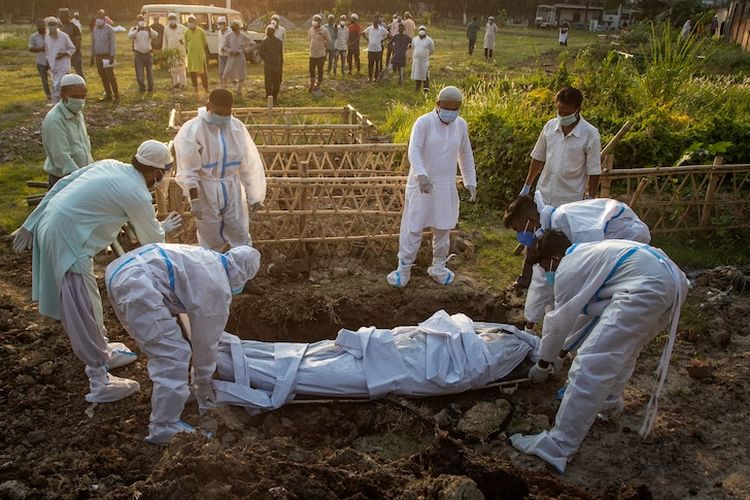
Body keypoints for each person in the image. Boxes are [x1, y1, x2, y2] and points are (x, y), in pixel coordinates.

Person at [11, 140, 183, 405]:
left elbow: (61, 185)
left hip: (57, 227)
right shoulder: (136, 193)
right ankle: (99, 380)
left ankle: (102, 351)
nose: (164, 178)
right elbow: (151, 240)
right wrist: (164, 227)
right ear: (156, 172)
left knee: (91, 302)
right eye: (166, 172)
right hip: (68, 242)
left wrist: (32, 222)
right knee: (83, 308)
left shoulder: (111, 165)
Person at [510, 232, 688, 473]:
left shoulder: (568, 269)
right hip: (672, 281)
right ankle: (608, 401)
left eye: (543, 266)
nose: (546, 272)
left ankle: (559, 445)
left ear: (553, 259)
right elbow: (589, 318)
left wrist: (543, 363)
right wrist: (561, 353)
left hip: (648, 285)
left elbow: (559, 322)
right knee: (624, 350)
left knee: (590, 365)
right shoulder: (588, 254)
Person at [106, 243, 261, 444]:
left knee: (167, 347)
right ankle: (163, 425)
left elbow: (191, 316)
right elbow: (206, 340)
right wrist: (204, 380)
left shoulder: (207, 257)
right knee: (172, 355)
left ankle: (175, 393)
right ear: (242, 274)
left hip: (122, 269)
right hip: (138, 283)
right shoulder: (217, 286)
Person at [503, 194, 651, 330]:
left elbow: (589, 274)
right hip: (610, 244)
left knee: (590, 299)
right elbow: (542, 278)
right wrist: (530, 322)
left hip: (627, 240)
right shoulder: (550, 228)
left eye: (519, 229)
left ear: (531, 221)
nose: (520, 235)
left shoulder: (573, 228)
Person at [387, 86, 476, 288]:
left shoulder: (461, 125)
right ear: (437, 105)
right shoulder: (424, 123)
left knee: (443, 226)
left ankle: (438, 266)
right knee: (414, 226)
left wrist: (470, 180)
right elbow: (414, 150)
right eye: (447, 107)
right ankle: (404, 268)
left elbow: (465, 153)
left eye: (455, 108)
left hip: (445, 184)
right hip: (422, 185)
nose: (451, 112)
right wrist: (421, 174)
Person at [515, 86, 601, 288]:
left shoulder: (590, 134)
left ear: (577, 109)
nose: (562, 115)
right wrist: (527, 185)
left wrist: (591, 200)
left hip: (569, 200)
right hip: (544, 194)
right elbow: (538, 157)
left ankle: (561, 281)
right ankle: (526, 279)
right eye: (559, 111)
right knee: (533, 237)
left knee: (561, 243)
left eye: (566, 112)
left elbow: (594, 171)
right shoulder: (550, 127)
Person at [174, 89, 267, 250]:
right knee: (209, 235)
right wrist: (194, 198)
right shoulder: (193, 129)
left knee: (239, 231)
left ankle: (241, 270)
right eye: (219, 114)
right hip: (205, 189)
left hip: (231, 187)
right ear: (208, 105)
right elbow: (188, 168)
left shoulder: (236, 128)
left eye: (226, 115)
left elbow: (249, 163)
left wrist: (255, 194)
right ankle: (214, 269)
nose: (223, 119)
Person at [42, 74, 93, 187]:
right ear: (63, 95)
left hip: (81, 175)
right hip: (65, 178)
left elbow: (84, 145)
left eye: (83, 96)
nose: (80, 100)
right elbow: (61, 156)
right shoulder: (55, 119)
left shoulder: (77, 113)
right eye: (75, 96)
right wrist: (78, 178)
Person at [44, 17, 76, 105]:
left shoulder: (64, 36)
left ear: (57, 25)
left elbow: (72, 49)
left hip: (63, 65)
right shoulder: (47, 37)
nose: (51, 27)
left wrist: (64, 54)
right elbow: (47, 51)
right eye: (49, 25)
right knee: (56, 84)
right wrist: (47, 62)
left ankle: (56, 104)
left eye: (53, 25)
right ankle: (62, 102)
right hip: (53, 66)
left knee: (57, 85)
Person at [91, 10, 119, 102]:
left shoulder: (109, 29)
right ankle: (108, 94)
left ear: (104, 19)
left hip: (107, 56)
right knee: (103, 76)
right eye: (97, 18)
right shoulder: (94, 29)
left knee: (110, 76)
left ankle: (116, 95)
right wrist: (92, 56)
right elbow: (93, 43)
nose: (99, 20)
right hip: (98, 56)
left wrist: (112, 55)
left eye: (101, 18)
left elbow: (113, 43)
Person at [221, 21, 254, 98]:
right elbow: (224, 47)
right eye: (233, 26)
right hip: (231, 56)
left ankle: (239, 89)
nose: (234, 28)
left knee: (241, 73)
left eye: (235, 26)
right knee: (226, 72)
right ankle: (223, 89)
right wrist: (230, 51)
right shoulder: (229, 36)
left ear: (238, 27)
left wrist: (245, 50)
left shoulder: (243, 36)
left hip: (240, 57)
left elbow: (253, 44)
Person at [128, 15, 158, 93]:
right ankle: (142, 88)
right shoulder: (134, 29)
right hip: (138, 55)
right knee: (140, 73)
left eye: (142, 20)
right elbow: (129, 36)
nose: (141, 21)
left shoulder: (148, 29)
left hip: (148, 54)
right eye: (139, 20)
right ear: (137, 21)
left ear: (144, 21)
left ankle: (150, 88)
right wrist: (137, 30)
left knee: (150, 73)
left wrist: (150, 31)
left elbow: (156, 35)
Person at [259, 25, 283, 103]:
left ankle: (271, 96)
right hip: (274, 64)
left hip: (272, 64)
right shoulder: (274, 41)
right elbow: (260, 52)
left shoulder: (267, 41)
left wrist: (266, 59)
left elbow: (260, 53)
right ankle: (272, 96)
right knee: (273, 81)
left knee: (272, 81)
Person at [163, 12, 188, 89]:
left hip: (180, 51)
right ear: (168, 20)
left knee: (181, 68)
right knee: (173, 69)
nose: (172, 20)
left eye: (173, 19)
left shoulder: (182, 28)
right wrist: (164, 51)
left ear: (176, 19)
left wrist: (184, 42)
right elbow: (165, 41)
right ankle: (175, 84)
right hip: (171, 52)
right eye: (170, 19)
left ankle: (183, 84)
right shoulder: (166, 29)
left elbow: (188, 37)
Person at [185, 15, 209, 92]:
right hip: (191, 56)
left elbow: (205, 45)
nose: (191, 23)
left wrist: (207, 56)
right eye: (189, 22)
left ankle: (206, 88)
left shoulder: (201, 31)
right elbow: (185, 44)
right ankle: (195, 88)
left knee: (203, 73)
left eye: (192, 21)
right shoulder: (186, 32)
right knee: (192, 73)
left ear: (195, 22)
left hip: (200, 56)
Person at [29, 20, 51, 101]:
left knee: (54, 78)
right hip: (40, 61)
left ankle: (57, 93)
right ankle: (48, 95)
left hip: (51, 60)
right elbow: (30, 48)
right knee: (44, 80)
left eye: (42, 27)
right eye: (39, 27)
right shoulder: (34, 36)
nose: (41, 28)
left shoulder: (50, 35)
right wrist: (40, 49)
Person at [308, 14, 330, 91]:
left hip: (321, 55)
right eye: (313, 20)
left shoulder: (324, 30)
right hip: (312, 54)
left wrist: (325, 46)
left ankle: (318, 84)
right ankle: (312, 84)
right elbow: (309, 40)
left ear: (319, 22)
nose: (314, 22)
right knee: (311, 70)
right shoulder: (310, 30)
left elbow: (328, 40)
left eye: (316, 21)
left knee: (320, 70)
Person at [59, 9, 83, 78]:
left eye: (62, 18)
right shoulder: (62, 28)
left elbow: (78, 43)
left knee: (79, 74)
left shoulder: (75, 28)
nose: (61, 20)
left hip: (75, 55)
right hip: (65, 55)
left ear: (67, 17)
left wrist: (73, 53)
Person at [364, 17, 389, 82]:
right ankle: (369, 77)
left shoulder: (381, 29)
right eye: (374, 21)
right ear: (373, 22)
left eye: (376, 21)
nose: (375, 22)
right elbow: (363, 33)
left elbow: (388, 34)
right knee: (370, 64)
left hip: (378, 50)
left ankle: (376, 77)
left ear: (378, 22)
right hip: (370, 49)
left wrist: (382, 40)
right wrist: (368, 40)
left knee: (377, 64)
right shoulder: (370, 28)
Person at [411, 26, 434, 92]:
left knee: (425, 74)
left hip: (424, 61)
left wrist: (425, 55)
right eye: (421, 29)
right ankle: (417, 88)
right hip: (416, 61)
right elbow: (413, 48)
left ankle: (426, 88)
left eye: (423, 29)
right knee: (417, 74)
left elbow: (432, 50)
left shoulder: (429, 40)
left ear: (426, 31)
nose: (422, 30)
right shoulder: (414, 39)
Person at [216, 17, 229, 81]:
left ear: (225, 24)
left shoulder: (230, 32)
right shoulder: (219, 32)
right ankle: (222, 82)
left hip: (228, 54)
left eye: (221, 24)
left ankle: (228, 82)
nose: (220, 25)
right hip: (221, 54)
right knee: (221, 70)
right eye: (219, 24)